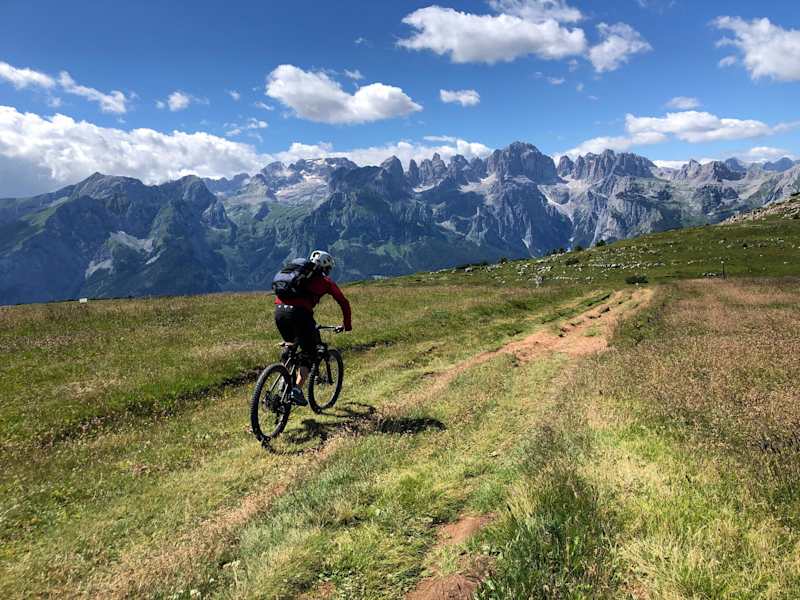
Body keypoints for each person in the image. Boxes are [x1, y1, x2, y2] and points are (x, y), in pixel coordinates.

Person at [274, 250, 352, 406]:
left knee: (290, 345)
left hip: (279, 311)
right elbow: (344, 302)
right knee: (309, 354)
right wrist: (346, 325)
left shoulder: (297, 271)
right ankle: (296, 390)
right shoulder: (326, 281)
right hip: (300, 315)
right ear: (325, 266)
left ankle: (283, 378)